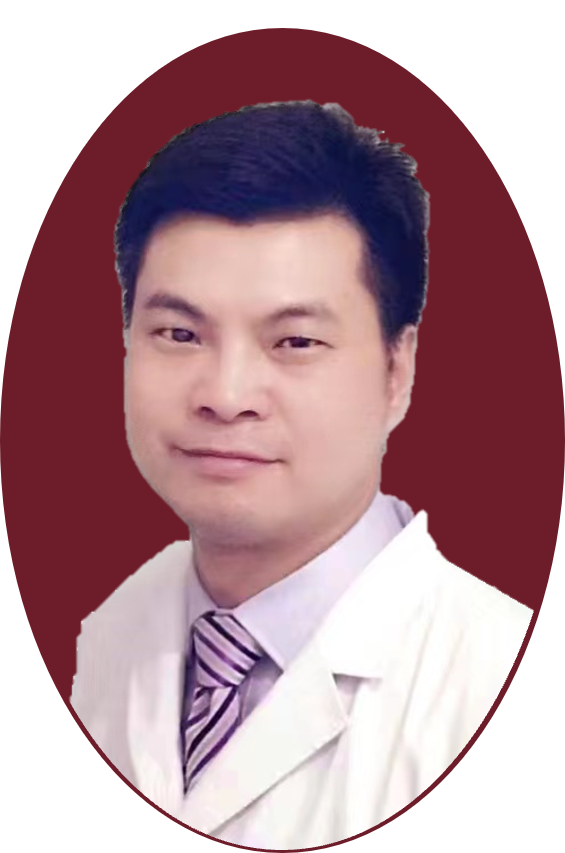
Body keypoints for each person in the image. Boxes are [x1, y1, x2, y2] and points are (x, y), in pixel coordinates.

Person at [71, 100, 532, 847]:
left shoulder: (486, 676)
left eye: (294, 342)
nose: (225, 395)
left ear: (397, 370)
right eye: (179, 333)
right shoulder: (111, 632)